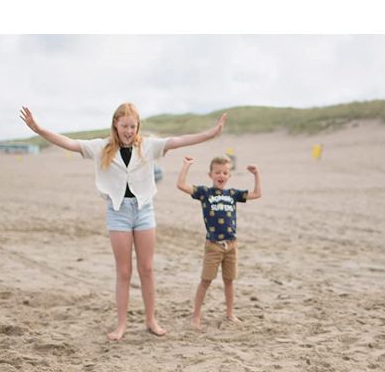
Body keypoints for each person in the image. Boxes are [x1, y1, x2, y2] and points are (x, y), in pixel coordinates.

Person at [19, 104, 226, 340]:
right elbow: (69, 143)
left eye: (133, 126)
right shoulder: (101, 147)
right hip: (118, 213)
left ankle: (151, 320)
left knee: (147, 269)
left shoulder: (148, 146)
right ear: (115, 124)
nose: (129, 131)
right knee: (124, 271)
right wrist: (38, 130)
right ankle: (121, 325)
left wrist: (211, 133)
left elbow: (178, 141)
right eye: (124, 126)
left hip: (144, 210)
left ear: (138, 127)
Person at [176, 154, 262, 328]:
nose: (221, 175)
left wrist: (256, 174)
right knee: (206, 280)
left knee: (229, 280)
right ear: (210, 175)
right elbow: (181, 185)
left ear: (229, 176)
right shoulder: (204, 193)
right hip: (213, 245)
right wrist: (186, 166)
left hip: (231, 245)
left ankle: (230, 314)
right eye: (217, 172)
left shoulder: (232, 194)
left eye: (225, 172)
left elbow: (257, 193)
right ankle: (196, 316)